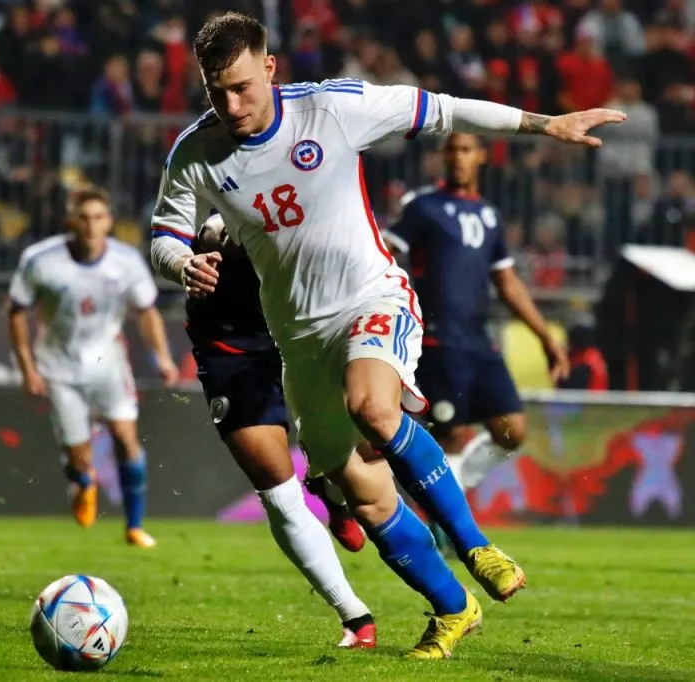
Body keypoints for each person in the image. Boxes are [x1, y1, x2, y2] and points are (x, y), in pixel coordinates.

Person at [148, 13, 624, 658]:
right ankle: (453, 609)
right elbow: (165, 234)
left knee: (372, 407)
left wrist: (545, 125)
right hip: (299, 341)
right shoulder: (195, 151)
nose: (231, 105)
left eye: (241, 87)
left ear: (270, 68)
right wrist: (183, 263)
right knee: (365, 497)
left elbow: (445, 109)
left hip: (372, 300)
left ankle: (475, 545)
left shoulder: (333, 109)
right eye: (216, 91)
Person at [188, 211, 374, 649]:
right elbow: (207, 232)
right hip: (234, 349)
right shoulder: (222, 194)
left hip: (307, 330)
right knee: (278, 490)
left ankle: (332, 492)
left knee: (356, 437)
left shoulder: (321, 192)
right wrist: (209, 245)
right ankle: (355, 616)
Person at [383, 132, 571, 539]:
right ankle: (448, 530)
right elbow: (384, 254)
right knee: (450, 433)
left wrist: (545, 336)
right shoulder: (423, 207)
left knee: (511, 430)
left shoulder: (489, 215)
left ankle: (451, 495)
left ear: (481, 156)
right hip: (438, 339)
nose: (458, 158)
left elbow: (508, 282)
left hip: (479, 341)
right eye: (451, 150)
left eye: (466, 150)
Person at [8, 187, 178, 548]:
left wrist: (162, 357)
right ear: (70, 221)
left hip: (108, 364)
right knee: (80, 458)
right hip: (59, 367)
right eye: (83, 218)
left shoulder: (126, 262)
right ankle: (83, 481)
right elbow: (16, 310)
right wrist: (27, 367)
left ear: (109, 222)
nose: (91, 225)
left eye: (98, 217)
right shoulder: (41, 260)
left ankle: (134, 526)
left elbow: (146, 312)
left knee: (125, 436)